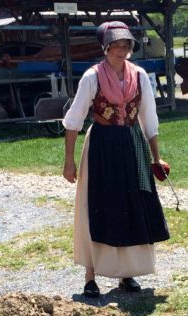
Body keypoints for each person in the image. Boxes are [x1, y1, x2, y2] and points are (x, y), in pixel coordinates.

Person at [61, 21, 170, 298]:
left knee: (131, 205)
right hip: (101, 146)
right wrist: (69, 161)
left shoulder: (140, 76)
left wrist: (156, 157)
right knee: (97, 206)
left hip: (132, 145)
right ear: (106, 47)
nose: (121, 51)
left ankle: (126, 274)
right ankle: (90, 275)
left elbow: (149, 119)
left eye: (125, 45)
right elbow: (73, 121)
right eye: (116, 46)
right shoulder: (92, 77)